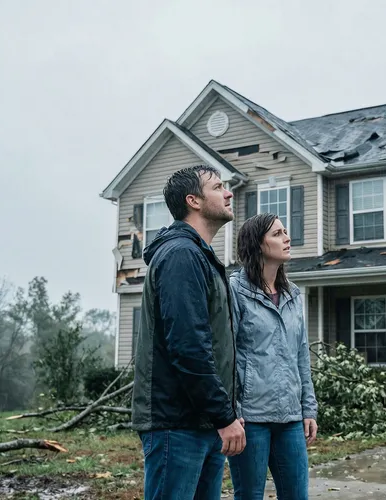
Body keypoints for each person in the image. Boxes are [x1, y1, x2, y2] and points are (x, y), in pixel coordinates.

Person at [131, 165, 246, 500]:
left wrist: (225, 413)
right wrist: (224, 416)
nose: (229, 193)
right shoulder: (182, 255)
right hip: (177, 426)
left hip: (202, 422)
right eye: (218, 187)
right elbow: (188, 346)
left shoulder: (199, 256)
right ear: (193, 200)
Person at [227, 212, 318, 500]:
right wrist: (232, 413)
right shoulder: (235, 290)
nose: (287, 238)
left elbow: (301, 354)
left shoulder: (293, 294)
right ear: (257, 244)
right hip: (250, 418)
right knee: (249, 496)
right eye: (277, 234)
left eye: (285, 232)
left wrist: (308, 409)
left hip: (290, 417)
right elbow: (226, 356)